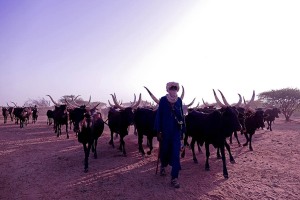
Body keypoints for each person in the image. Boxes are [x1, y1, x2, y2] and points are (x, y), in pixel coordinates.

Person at [154, 81, 186, 188]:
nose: (173, 90)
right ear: (168, 89)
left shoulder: (179, 101)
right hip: (165, 132)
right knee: (164, 151)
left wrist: (183, 131)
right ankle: (163, 166)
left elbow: (181, 116)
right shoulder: (163, 100)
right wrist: (158, 131)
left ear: (177, 90)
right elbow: (159, 115)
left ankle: (174, 178)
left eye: (175, 88)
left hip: (176, 132)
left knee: (176, 154)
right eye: (171, 88)